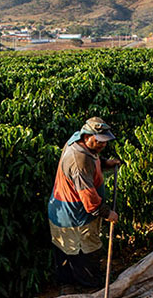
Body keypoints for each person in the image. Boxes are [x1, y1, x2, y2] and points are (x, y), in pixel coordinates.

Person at [47, 116, 123, 288]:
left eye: (105, 141)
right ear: (87, 136)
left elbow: (93, 160)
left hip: (71, 209)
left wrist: (105, 163)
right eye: (99, 141)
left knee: (73, 247)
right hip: (74, 214)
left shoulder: (80, 141)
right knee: (81, 250)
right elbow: (89, 200)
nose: (103, 145)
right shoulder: (78, 160)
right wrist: (107, 213)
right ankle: (87, 287)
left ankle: (78, 282)